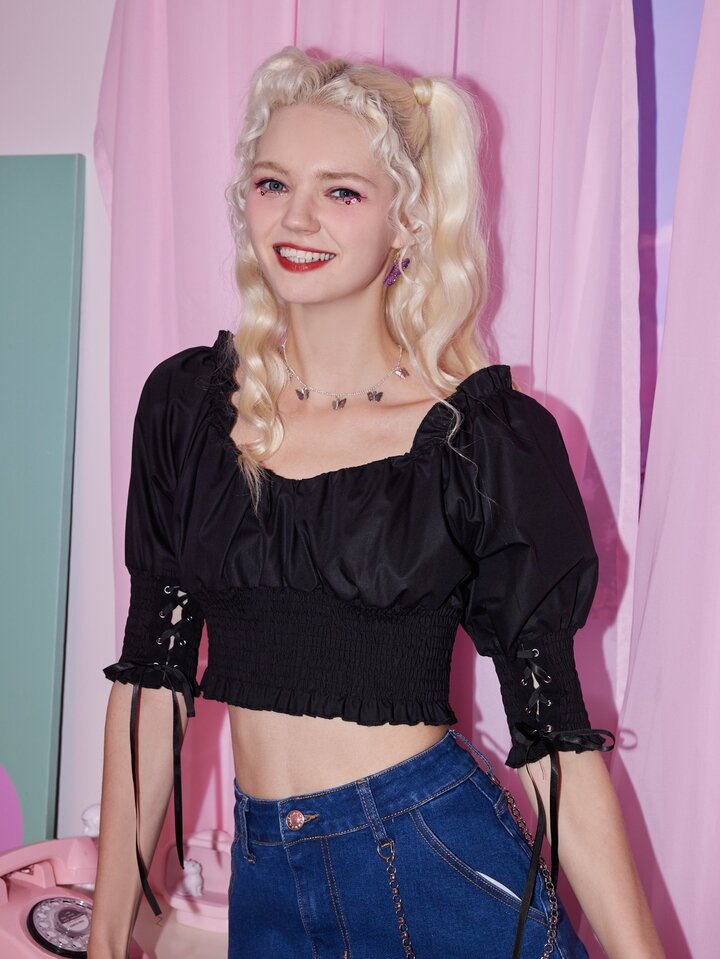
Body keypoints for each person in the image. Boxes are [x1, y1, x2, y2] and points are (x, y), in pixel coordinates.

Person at [88, 46, 664, 959]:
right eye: (273, 183)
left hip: (435, 866)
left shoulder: (482, 439)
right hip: (267, 883)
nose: (298, 217)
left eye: (343, 192)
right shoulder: (188, 408)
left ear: (408, 220)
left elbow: (557, 743)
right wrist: (105, 932)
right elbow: (149, 688)